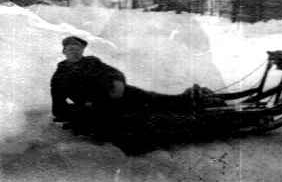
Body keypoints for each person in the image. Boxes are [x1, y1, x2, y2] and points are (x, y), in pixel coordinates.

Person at [50, 36, 225, 130]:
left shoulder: (92, 61)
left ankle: (195, 99)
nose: (75, 52)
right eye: (71, 49)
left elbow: (114, 72)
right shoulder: (60, 77)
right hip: (102, 107)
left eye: (78, 49)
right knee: (148, 115)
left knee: (157, 100)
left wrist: (118, 83)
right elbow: (58, 109)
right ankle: (193, 109)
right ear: (64, 51)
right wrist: (81, 109)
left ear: (83, 51)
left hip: (123, 93)